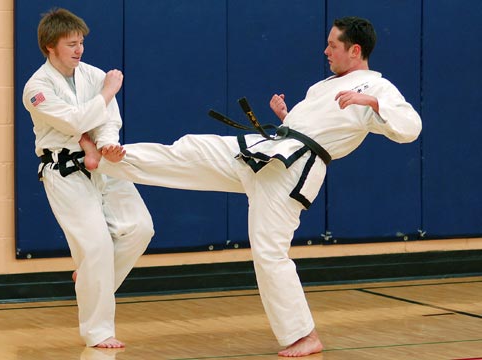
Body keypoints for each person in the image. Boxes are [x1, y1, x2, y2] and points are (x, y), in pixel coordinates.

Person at [82, 16, 422, 357]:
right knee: (191, 150)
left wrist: (374, 104)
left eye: (333, 45)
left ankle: (304, 335)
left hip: (290, 171)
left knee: (269, 251)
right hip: (265, 150)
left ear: (355, 50)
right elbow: (316, 126)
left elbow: (410, 127)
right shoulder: (323, 87)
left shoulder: (378, 88)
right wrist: (287, 116)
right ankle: (109, 157)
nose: (326, 51)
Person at [22, 8, 154, 348]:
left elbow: (108, 119)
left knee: (141, 228)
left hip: (104, 165)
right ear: (51, 46)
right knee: (95, 246)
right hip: (64, 172)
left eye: (81, 42)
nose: (79, 50)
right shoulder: (36, 88)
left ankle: (90, 280)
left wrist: (107, 144)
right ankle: (99, 331)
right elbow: (73, 122)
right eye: (71, 44)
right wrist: (108, 91)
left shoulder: (93, 75)